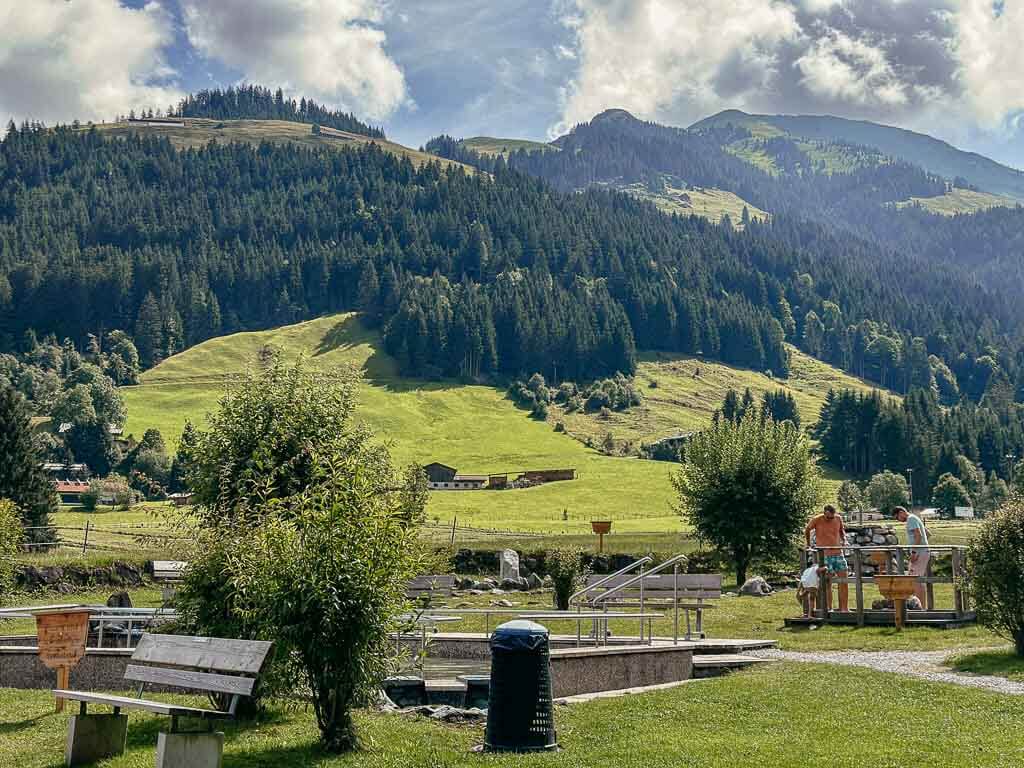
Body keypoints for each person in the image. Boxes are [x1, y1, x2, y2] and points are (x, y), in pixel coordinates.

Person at [805, 504, 849, 612]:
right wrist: (808, 544)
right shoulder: (817, 519)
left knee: (844, 580)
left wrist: (845, 540)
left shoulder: (838, 518)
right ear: (824, 513)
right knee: (827, 582)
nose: (830, 519)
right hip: (824, 555)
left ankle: (844, 608)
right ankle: (829, 608)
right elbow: (807, 529)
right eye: (828, 517)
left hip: (838, 553)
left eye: (832, 517)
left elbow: (841, 531)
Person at [894, 506, 929, 606]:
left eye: (897, 517)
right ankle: (921, 607)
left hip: (918, 553)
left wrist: (914, 552)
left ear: (901, 512)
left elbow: (918, 535)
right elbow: (927, 533)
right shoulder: (914, 518)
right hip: (921, 551)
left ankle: (920, 608)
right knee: (917, 580)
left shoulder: (911, 519)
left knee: (915, 580)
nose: (898, 520)